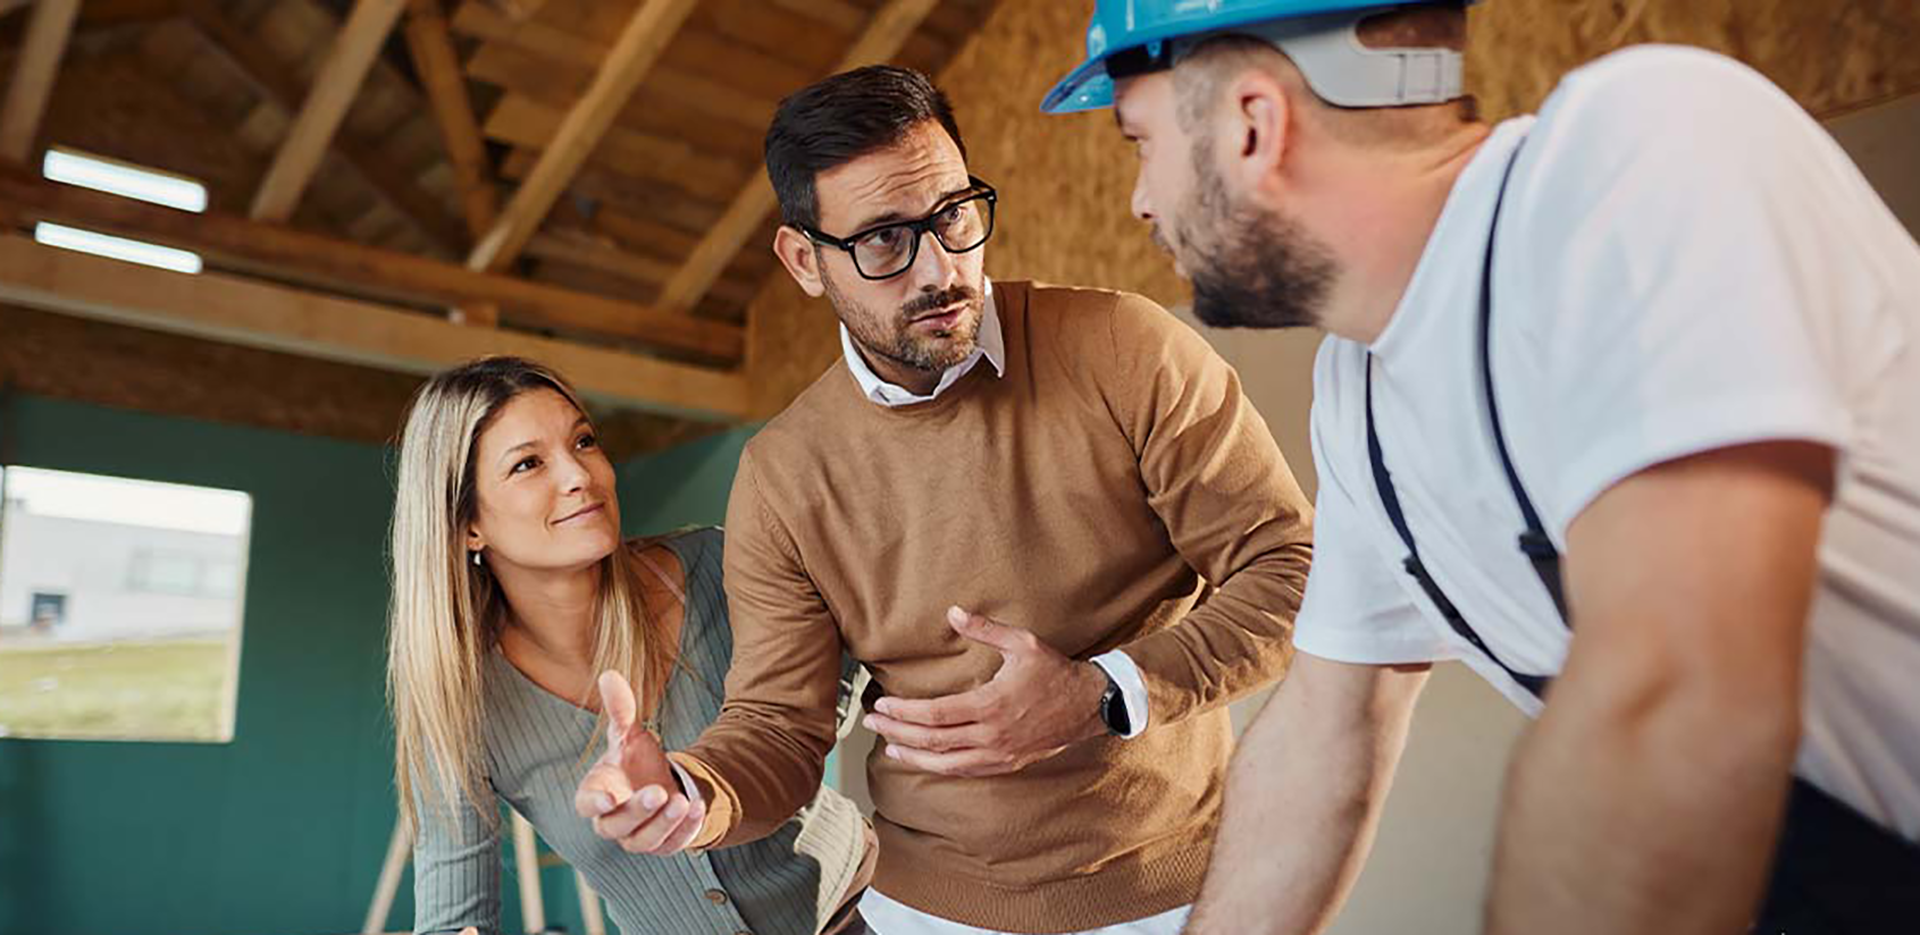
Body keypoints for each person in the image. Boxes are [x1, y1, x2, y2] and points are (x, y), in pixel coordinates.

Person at [1042, 1, 1920, 932]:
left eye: (1139, 142)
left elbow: (1671, 698)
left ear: (1254, 123)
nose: (1139, 200)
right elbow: (1328, 734)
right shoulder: (1363, 386)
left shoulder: (1643, 147)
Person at [575, 65, 1316, 935]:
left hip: (1180, 891)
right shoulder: (783, 471)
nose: (940, 268)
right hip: (928, 908)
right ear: (803, 261)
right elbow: (780, 725)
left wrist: (1102, 691)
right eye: (884, 240)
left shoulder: (1130, 349)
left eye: (953, 215)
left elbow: (1291, 571)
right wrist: (693, 792)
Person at [386, 356, 873, 935]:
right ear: (468, 524)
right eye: (528, 464)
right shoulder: (460, 705)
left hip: (865, 913)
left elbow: (848, 672)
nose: (578, 476)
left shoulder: (719, 568)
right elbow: (452, 922)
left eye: (584, 441)